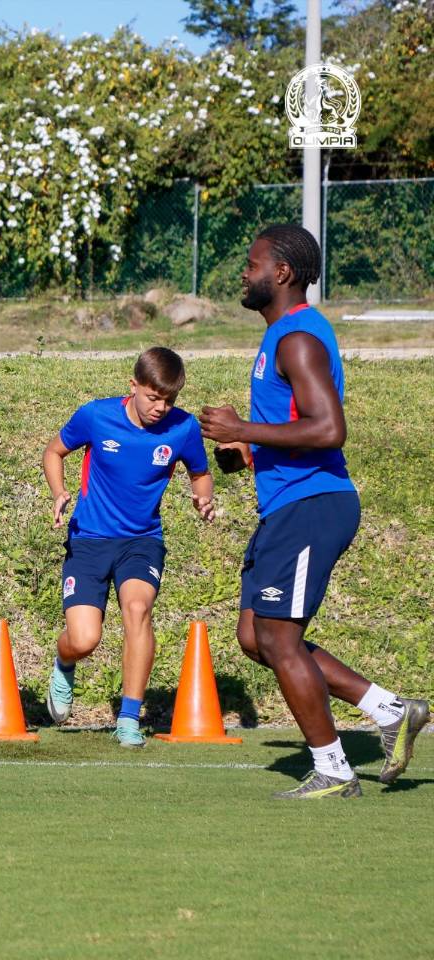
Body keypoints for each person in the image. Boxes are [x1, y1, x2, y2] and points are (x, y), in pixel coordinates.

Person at [201, 223, 428, 799]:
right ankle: (389, 709)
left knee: (279, 639)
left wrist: (240, 427)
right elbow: (292, 427)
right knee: (258, 639)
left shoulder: (297, 338)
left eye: (252, 264)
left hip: (313, 504)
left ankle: (333, 770)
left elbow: (329, 429)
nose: (244, 273)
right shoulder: (279, 335)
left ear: (281, 273)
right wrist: (243, 449)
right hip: (286, 504)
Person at [42, 347, 214, 747]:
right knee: (84, 639)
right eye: (154, 397)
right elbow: (54, 451)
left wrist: (202, 497)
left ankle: (129, 717)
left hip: (142, 540)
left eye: (169, 400)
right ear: (133, 385)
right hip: (88, 539)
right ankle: (64, 663)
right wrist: (58, 491)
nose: (161, 407)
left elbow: (200, 473)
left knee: (138, 609)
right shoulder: (96, 416)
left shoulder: (183, 428)